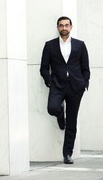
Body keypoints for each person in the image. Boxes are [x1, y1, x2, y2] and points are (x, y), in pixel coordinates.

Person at [40, 16, 90, 164]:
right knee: (52, 108)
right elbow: (43, 67)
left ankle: (67, 154)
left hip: (76, 87)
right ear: (57, 27)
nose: (64, 28)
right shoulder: (49, 45)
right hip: (57, 84)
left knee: (72, 122)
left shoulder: (80, 45)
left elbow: (85, 67)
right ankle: (61, 115)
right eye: (61, 25)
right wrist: (49, 81)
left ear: (71, 27)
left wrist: (84, 82)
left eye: (66, 25)